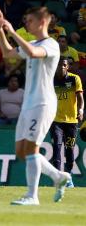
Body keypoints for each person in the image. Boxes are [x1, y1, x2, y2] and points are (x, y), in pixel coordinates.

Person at [0, 6, 70, 205]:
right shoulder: (32, 42)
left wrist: (12, 31)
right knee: (21, 152)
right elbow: (8, 53)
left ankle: (32, 196)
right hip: (28, 104)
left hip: (43, 102)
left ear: (42, 22)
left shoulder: (51, 44)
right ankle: (58, 176)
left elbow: (33, 53)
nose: (26, 23)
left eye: (29, 20)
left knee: (31, 148)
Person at [51, 58, 83, 188]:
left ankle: (68, 176)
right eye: (59, 65)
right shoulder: (51, 79)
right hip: (55, 120)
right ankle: (58, 178)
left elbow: (80, 97)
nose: (61, 67)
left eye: (64, 65)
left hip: (71, 121)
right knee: (57, 147)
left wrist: (81, 109)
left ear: (68, 67)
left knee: (69, 150)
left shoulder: (74, 79)